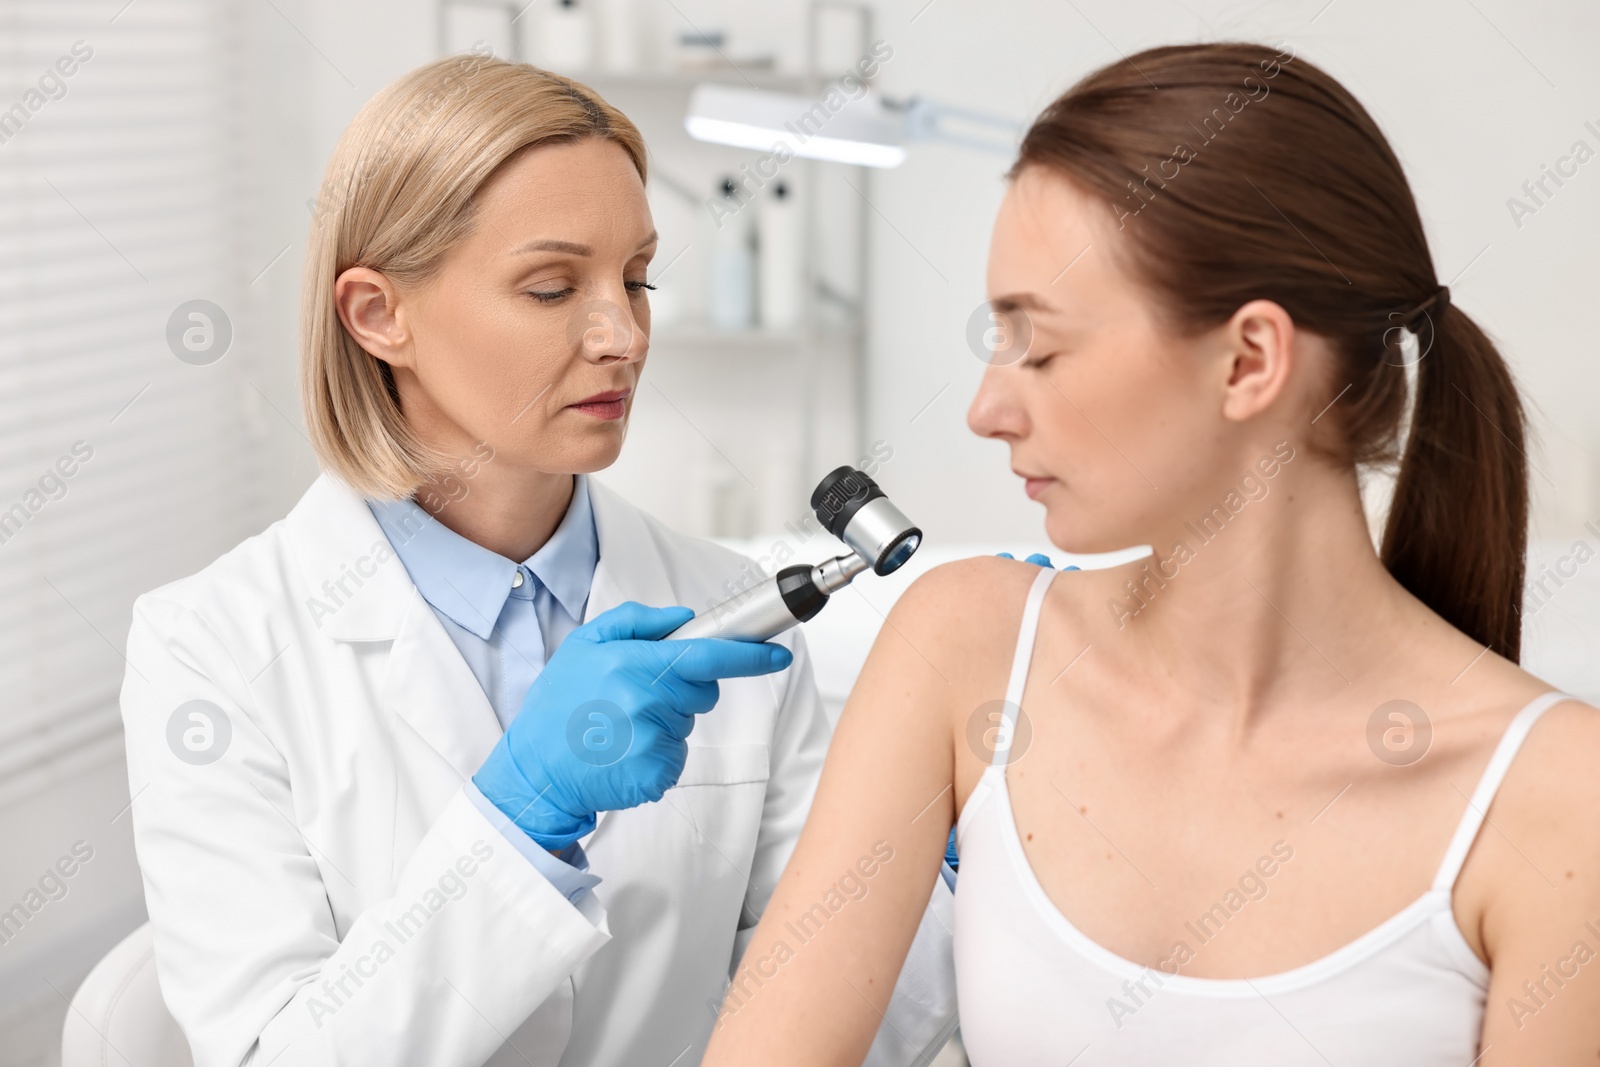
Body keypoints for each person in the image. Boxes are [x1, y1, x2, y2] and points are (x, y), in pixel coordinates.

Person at [702, 41, 1600, 1067]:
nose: (987, 408)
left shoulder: (1561, 802)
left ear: (1249, 358)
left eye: (1037, 346)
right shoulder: (966, 648)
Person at [118, 54, 956, 1067]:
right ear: (379, 313)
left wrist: (941, 875)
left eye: (638, 278)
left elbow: (848, 1021)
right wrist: (517, 823)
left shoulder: (725, 612)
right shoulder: (210, 646)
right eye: (552, 285)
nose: (623, 335)